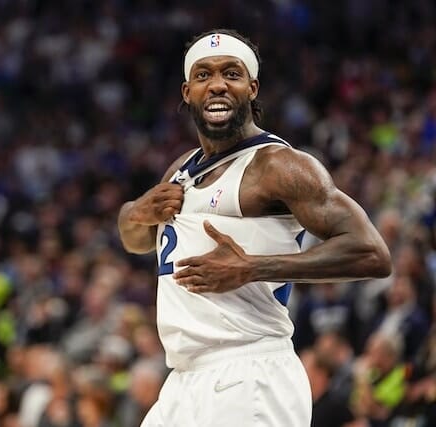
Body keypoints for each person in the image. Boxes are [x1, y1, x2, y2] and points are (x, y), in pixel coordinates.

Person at [117, 28, 392, 427]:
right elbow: (134, 240)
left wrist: (254, 267)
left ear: (252, 88)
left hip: (250, 372)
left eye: (232, 73)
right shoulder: (180, 170)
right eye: (203, 75)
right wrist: (136, 210)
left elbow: (372, 253)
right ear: (187, 92)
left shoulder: (278, 165)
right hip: (183, 380)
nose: (217, 85)